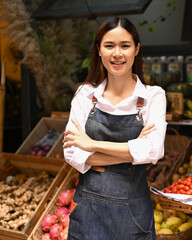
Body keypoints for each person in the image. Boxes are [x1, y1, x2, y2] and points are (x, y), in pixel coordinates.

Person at [62, 16, 167, 240]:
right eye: (109, 45)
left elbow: (153, 152)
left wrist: (92, 145)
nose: (117, 53)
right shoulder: (85, 95)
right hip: (88, 214)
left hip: (134, 219)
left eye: (125, 45)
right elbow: (72, 153)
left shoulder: (153, 96)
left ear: (136, 49)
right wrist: (132, 150)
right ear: (99, 50)